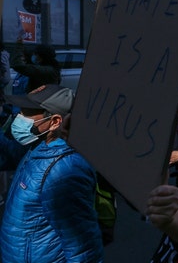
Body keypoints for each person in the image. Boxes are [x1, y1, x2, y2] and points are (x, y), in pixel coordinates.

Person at [0, 84, 104, 262]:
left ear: (55, 121)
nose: (19, 117)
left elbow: (82, 247)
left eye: (28, 112)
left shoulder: (65, 170)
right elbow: (7, 153)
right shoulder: (39, 146)